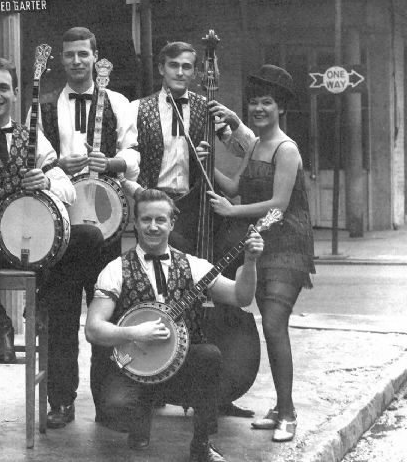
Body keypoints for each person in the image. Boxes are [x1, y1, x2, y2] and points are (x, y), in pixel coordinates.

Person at [0, 58, 102, 422]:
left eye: (4, 88)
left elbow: (67, 190)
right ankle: (2, 323)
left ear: (14, 94)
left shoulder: (32, 137)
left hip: (37, 242)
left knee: (88, 237)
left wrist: (47, 182)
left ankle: (60, 396)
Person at [125, 40, 256, 417]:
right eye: (174, 66)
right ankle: (157, 382)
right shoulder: (140, 109)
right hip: (160, 210)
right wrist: (143, 197)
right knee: (165, 295)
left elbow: (244, 150)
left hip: (200, 206)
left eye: (188, 67)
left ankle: (217, 389)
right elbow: (129, 167)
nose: (181, 73)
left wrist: (231, 121)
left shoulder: (205, 106)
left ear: (197, 71)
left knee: (213, 280)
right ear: (162, 68)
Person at [85, 189, 264, 462]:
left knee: (209, 356)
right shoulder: (115, 270)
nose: (153, 227)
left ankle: (202, 444)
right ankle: (139, 421)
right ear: (135, 224)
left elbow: (241, 296)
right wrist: (134, 332)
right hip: (135, 367)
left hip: (179, 365)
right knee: (116, 407)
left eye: (160, 219)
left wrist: (250, 262)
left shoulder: (193, 266)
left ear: (172, 224)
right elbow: (93, 329)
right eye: (146, 220)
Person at [33, 26, 139, 426]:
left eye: (83, 54)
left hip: (105, 224)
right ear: (61, 60)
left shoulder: (118, 102)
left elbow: (133, 154)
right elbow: (36, 161)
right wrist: (59, 165)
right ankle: (61, 402)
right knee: (61, 317)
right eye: (69, 55)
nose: (76, 61)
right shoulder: (42, 107)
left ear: (96, 56)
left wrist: (108, 164)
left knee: (106, 316)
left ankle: (108, 404)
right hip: (59, 225)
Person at [208, 65, 315, 443]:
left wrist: (231, 212)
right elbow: (236, 186)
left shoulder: (287, 149)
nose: (259, 108)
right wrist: (205, 165)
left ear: (280, 107)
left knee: (273, 325)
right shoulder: (254, 144)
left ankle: (287, 413)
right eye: (253, 102)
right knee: (267, 325)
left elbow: (279, 205)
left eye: (266, 102)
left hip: (287, 246)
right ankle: (279, 407)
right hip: (259, 243)